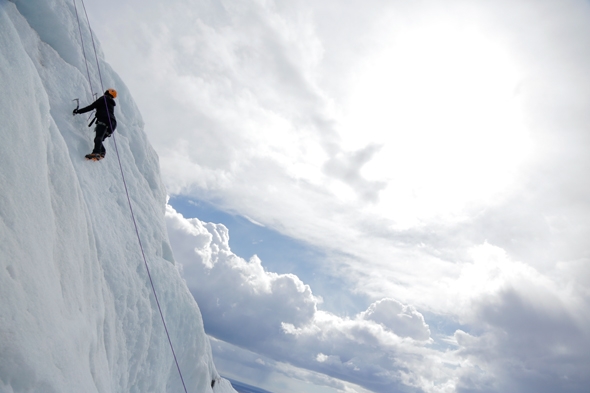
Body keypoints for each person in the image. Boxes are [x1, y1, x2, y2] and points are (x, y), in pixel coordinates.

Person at [73, 88, 118, 160]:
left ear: (107, 92)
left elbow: (91, 107)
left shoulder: (104, 98)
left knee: (98, 138)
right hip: (112, 124)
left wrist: (78, 111)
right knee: (100, 138)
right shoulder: (111, 103)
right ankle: (102, 152)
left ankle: (96, 152)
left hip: (104, 120)